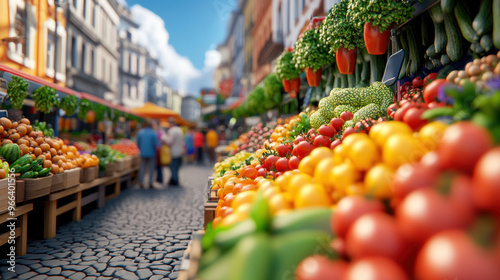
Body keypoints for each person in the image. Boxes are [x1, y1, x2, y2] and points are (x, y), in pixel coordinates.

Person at [136, 119, 158, 188]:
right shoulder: (153, 133)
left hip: (143, 153)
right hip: (151, 153)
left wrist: (141, 149)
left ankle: (141, 182)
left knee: (142, 167)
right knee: (151, 168)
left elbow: (138, 143)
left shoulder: (140, 132)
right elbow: (156, 144)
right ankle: (150, 182)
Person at [162, 117, 184, 186]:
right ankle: (175, 178)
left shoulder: (173, 131)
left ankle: (175, 180)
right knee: (176, 167)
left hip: (174, 152)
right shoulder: (179, 130)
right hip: (179, 151)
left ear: (170, 123)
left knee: (173, 167)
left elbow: (169, 142)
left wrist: (164, 137)